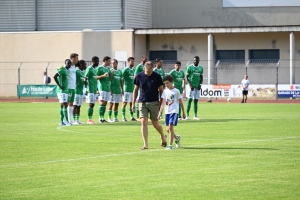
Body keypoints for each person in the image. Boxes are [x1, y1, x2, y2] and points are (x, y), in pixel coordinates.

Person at [132, 61, 167, 150]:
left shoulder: (157, 76)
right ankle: (145, 144)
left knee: (155, 124)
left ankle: (163, 136)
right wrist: (133, 103)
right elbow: (135, 90)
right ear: (144, 68)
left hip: (154, 102)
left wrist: (161, 102)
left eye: (151, 71)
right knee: (143, 122)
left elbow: (161, 90)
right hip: (142, 102)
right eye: (148, 71)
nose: (149, 73)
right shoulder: (139, 76)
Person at [158, 75, 186, 150]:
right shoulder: (165, 91)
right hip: (167, 112)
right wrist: (160, 113)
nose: (166, 85)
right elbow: (163, 103)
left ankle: (170, 145)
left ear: (172, 82)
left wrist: (183, 112)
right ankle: (177, 138)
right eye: (165, 83)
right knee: (168, 129)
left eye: (167, 83)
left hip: (174, 111)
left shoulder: (176, 91)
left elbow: (181, 102)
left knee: (170, 127)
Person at [53, 59, 72, 126]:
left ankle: (61, 121)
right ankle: (67, 121)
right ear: (65, 63)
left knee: (62, 106)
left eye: (70, 63)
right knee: (65, 105)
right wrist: (60, 86)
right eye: (68, 63)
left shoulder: (67, 71)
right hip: (61, 91)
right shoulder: (62, 69)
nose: (69, 65)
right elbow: (55, 76)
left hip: (66, 90)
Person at [186, 56, 203, 120]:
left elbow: (201, 77)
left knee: (196, 101)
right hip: (191, 86)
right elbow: (187, 77)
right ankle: (187, 115)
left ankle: (195, 116)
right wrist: (190, 85)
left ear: (199, 61)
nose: (195, 61)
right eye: (194, 60)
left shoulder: (201, 68)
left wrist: (200, 84)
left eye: (197, 60)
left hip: (197, 86)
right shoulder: (190, 67)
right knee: (190, 100)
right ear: (193, 61)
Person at [96, 56, 113, 123]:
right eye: (109, 61)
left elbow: (110, 79)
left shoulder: (108, 68)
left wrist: (112, 74)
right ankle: (100, 118)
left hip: (107, 88)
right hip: (102, 88)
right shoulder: (99, 68)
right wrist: (103, 76)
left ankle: (103, 117)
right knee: (102, 102)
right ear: (105, 61)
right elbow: (95, 77)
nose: (110, 63)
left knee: (105, 103)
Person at [122, 57, 137, 122]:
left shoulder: (134, 70)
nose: (133, 63)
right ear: (128, 62)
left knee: (131, 103)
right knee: (124, 103)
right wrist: (122, 88)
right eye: (132, 61)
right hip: (126, 89)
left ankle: (131, 117)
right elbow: (122, 79)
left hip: (132, 89)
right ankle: (123, 117)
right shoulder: (125, 69)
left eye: (133, 61)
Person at [85, 56, 99, 124]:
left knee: (93, 104)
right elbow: (85, 78)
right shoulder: (89, 68)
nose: (98, 62)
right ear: (93, 61)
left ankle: (90, 119)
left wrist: (97, 89)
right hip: (90, 89)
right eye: (97, 61)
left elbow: (95, 79)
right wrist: (85, 88)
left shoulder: (95, 69)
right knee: (90, 104)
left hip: (93, 89)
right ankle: (89, 119)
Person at [134, 55, 148, 119]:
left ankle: (143, 115)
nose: (146, 60)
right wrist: (138, 84)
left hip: (146, 86)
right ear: (142, 59)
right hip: (140, 86)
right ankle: (138, 116)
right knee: (139, 100)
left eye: (147, 59)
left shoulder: (147, 65)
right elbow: (135, 76)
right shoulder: (139, 66)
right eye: (145, 59)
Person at [73, 60, 87, 125]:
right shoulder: (76, 71)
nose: (86, 66)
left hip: (81, 92)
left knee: (79, 106)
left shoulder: (83, 73)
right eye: (85, 64)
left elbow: (85, 81)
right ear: (81, 65)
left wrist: (86, 88)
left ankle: (77, 120)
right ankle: (74, 120)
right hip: (76, 91)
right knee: (75, 106)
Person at [68, 53, 79, 123]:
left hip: (73, 88)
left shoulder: (74, 66)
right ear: (73, 58)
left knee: (71, 103)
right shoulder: (67, 66)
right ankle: (67, 119)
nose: (78, 60)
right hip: (68, 87)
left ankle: (70, 119)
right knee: (67, 103)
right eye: (77, 58)